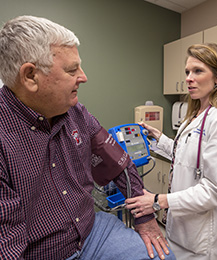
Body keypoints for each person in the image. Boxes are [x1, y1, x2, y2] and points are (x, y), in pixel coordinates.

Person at [0, 15, 176, 260]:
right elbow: (6, 245)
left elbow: (119, 163)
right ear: (30, 76)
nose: (83, 77)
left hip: (93, 232)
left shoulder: (77, 113)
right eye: (72, 70)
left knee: (163, 256)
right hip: (40, 252)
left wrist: (145, 218)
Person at [125, 43, 217, 260]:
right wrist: (159, 138)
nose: (189, 77)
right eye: (187, 72)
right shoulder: (193, 117)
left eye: (198, 71)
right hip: (179, 227)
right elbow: (185, 157)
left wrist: (157, 200)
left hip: (201, 238)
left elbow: (214, 190)